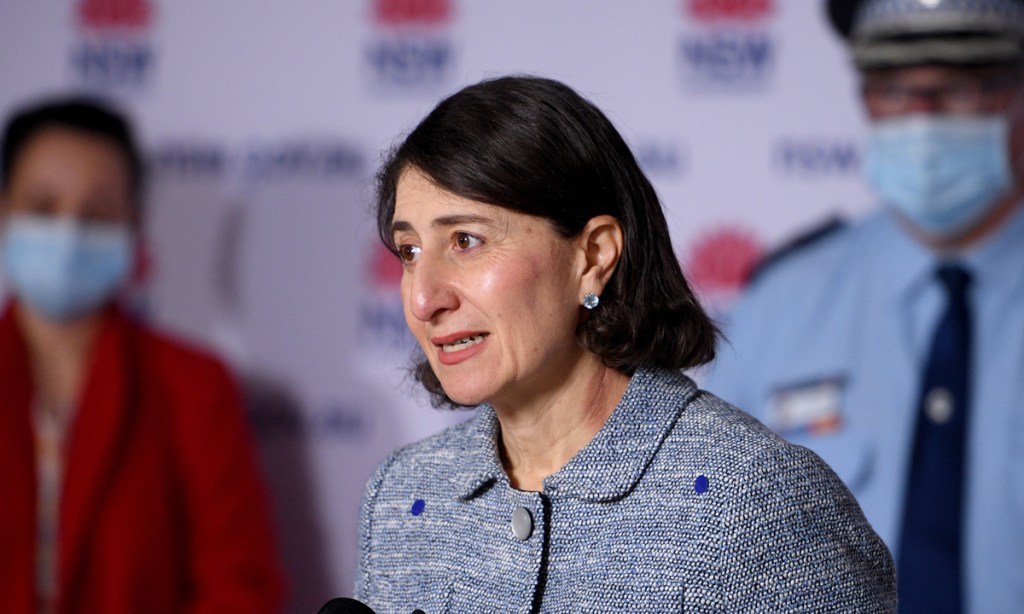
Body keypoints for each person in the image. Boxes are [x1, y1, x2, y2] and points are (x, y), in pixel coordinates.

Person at [354, 75, 896, 612]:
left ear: (593, 257)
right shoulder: (404, 495)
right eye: (409, 251)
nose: (423, 299)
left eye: (466, 241)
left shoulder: (757, 498)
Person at [707, 1, 1024, 612]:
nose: (924, 121)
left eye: (960, 88)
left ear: (1017, 91)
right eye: (895, 91)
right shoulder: (780, 308)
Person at [0, 97, 285, 613]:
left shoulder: (193, 386)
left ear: (133, 224)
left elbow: (239, 585)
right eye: (43, 207)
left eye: (97, 212)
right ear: (4, 212)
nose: (69, 233)